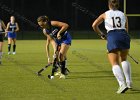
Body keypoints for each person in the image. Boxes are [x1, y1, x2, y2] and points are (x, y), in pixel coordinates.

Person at [92, 0, 132, 94]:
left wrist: (101, 34)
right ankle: (129, 82)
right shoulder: (123, 14)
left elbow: (94, 25)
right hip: (124, 35)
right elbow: (126, 29)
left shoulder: (105, 14)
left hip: (113, 35)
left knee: (114, 62)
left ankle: (122, 84)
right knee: (124, 59)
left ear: (109, 5)